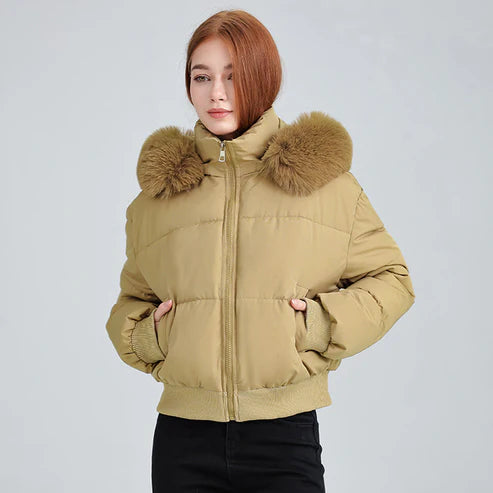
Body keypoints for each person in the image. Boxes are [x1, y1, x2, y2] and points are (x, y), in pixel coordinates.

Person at [105, 9, 416, 493]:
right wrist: (153, 338)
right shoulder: (160, 197)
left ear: (263, 78)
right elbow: (132, 303)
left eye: (233, 76)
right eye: (202, 77)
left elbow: (393, 280)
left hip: (283, 434)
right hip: (183, 438)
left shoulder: (325, 184)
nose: (217, 93)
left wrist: (318, 324)